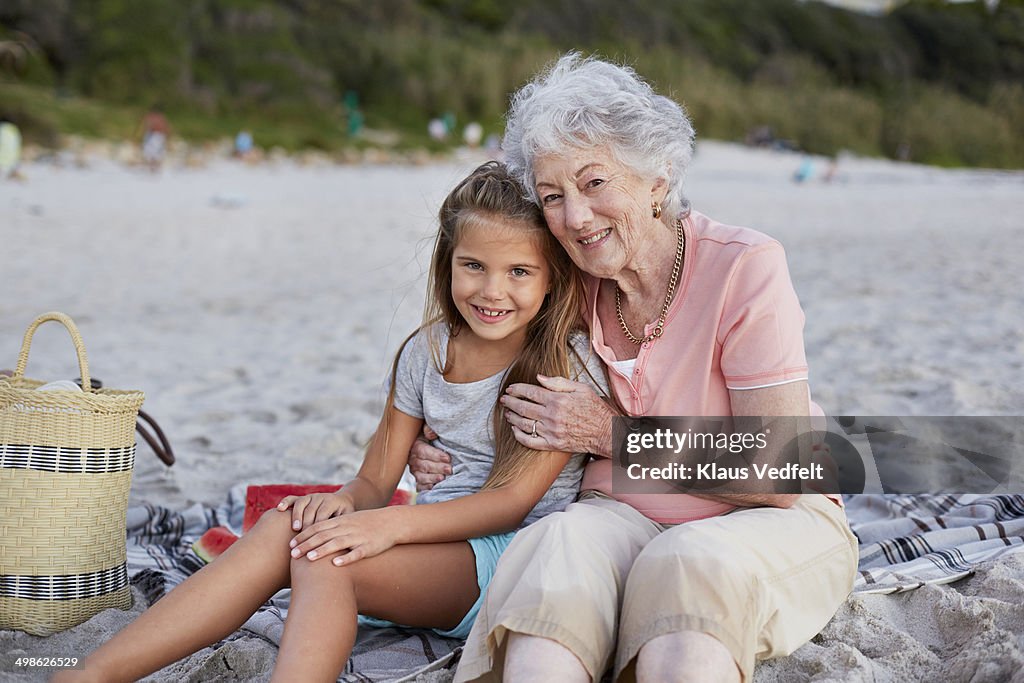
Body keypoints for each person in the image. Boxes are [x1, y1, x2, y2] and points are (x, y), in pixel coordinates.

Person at [54, 161, 607, 683]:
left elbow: (508, 504)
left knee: (327, 560)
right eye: (474, 266)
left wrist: (385, 526)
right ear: (448, 262)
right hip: (432, 538)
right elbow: (373, 483)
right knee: (285, 527)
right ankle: (93, 672)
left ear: (551, 279)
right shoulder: (426, 352)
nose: (493, 290)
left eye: (519, 272)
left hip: (511, 561)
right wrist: (343, 504)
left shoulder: (559, 364)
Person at [408, 54, 858, 683]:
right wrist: (435, 445)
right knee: (554, 548)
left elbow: (781, 468)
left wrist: (610, 437)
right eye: (552, 197)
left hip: (765, 521)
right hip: (618, 515)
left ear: (658, 176)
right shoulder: (571, 278)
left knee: (687, 559)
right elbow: (489, 375)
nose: (575, 217)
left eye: (595, 184)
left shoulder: (744, 267)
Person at [138, 106, 170, 172]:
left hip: (154, 135)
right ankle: (154, 166)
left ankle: (153, 166)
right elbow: (166, 127)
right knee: (155, 151)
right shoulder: (161, 117)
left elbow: (143, 125)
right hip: (157, 135)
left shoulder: (151, 116)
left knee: (152, 151)